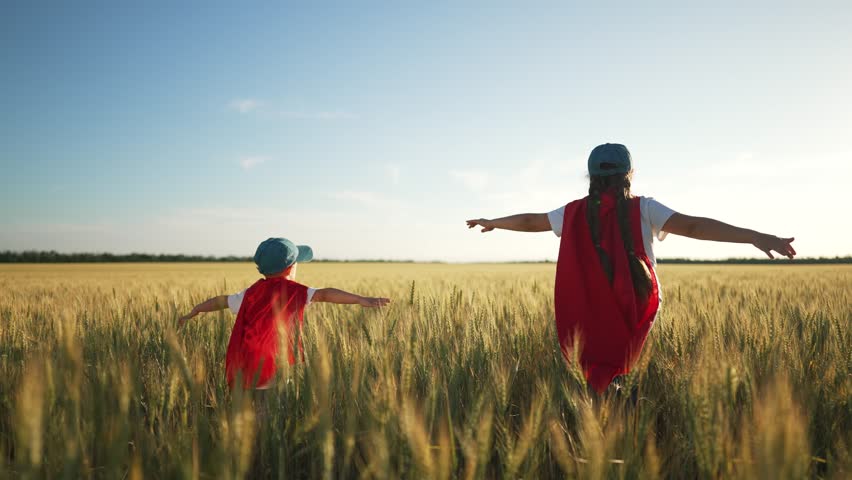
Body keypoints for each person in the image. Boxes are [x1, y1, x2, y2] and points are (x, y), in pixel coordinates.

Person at [466, 143, 795, 393]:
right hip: (635, 308)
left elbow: (530, 221)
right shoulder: (644, 208)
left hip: (587, 310)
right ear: (629, 175)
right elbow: (694, 227)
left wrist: (493, 222)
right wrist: (755, 237)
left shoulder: (573, 212)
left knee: (593, 381)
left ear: (592, 178)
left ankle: (597, 439)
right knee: (628, 377)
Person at [179, 237, 390, 389]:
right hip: (276, 371)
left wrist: (195, 310)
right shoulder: (296, 292)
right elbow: (325, 294)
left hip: (245, 370)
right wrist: (361, 299)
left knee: (252, 423)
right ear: (290, 269)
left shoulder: (249, 293)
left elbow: (220, 301)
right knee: (272, 420)